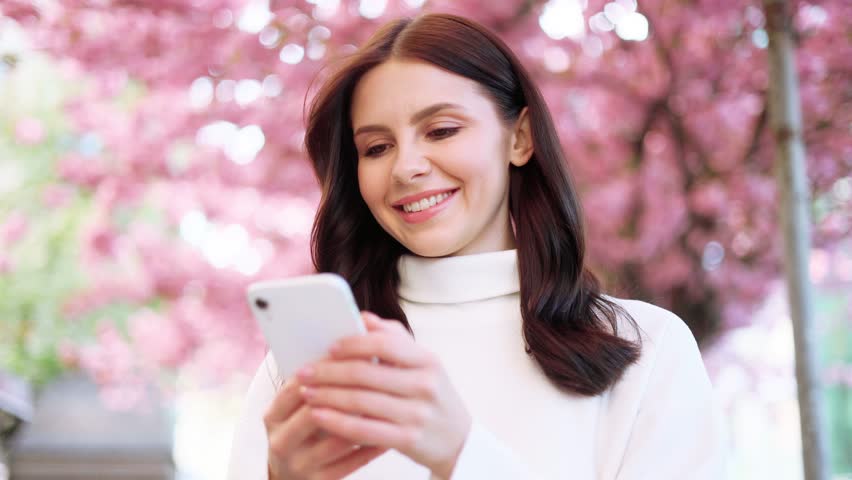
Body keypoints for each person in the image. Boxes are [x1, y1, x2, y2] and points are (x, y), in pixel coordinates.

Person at [227, 12, 728, 480]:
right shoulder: (312, 371)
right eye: (377, 148)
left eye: (441, 130)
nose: (406, 168)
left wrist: (461, 454)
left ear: (520, 138)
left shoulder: (646, 348)